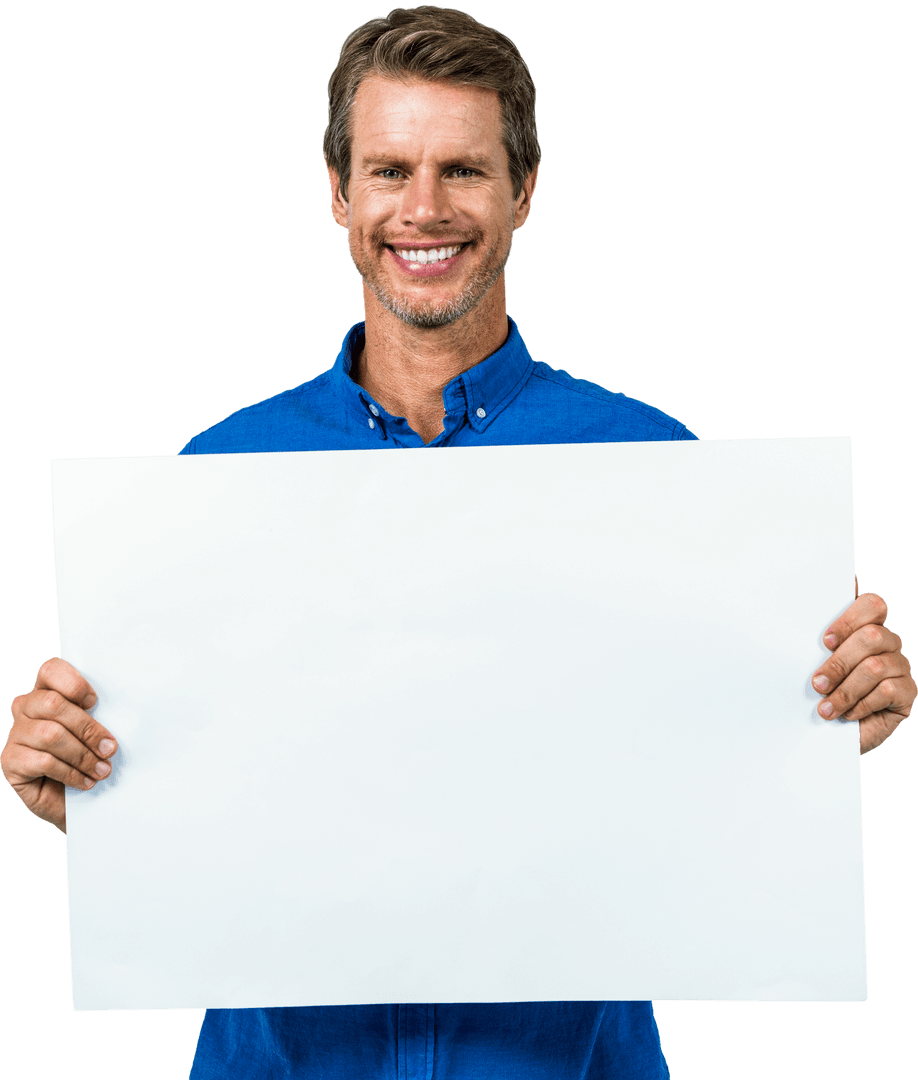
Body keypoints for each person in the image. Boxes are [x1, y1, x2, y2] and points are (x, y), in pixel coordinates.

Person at [2, 6, 914, 1078]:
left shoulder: (658, 472)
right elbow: (210, 814)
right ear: (339, 191)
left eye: (463, 171)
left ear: (524, 191)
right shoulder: (214, 481)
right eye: (389, 169)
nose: (422, 209)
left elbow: (696, 798)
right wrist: (99, 804)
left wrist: (819, 725)